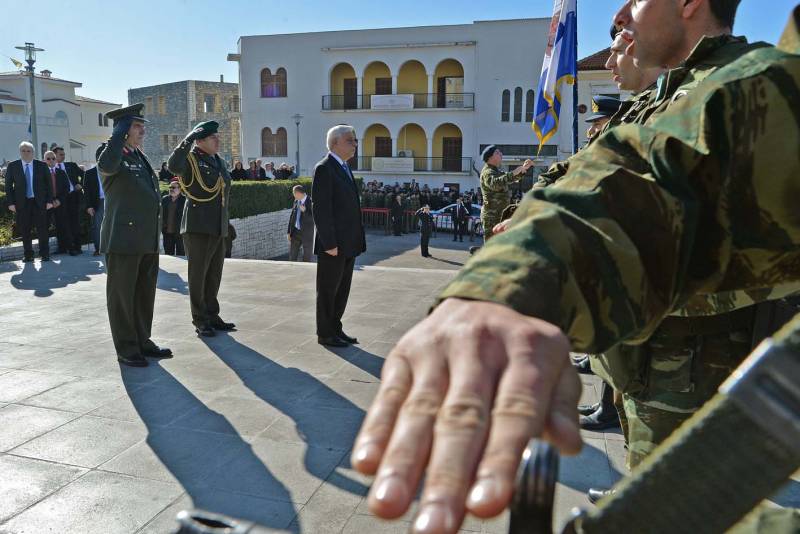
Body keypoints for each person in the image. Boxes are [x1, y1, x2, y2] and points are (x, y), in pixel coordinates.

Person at [349, 3, 800, 533]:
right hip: (653, 352)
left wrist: (519, 280)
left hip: (702, 356)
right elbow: (619, 170)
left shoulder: (747, 84)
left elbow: (664, 181)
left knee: (683, 500)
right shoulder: (673, 94)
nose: (623, 16)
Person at [97, 103, 172, 367]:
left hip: (145, 238)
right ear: (123, 129)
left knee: (143, 293)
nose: (143, 131)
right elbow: (106, 166)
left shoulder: (138, 155)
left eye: (142, 126)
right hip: (122, 239)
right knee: (122, 296)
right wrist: (117, 136)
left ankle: (142, 339)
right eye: (138, 126)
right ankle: (127, 348)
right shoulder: (110, 153)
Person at [168, 121, 235, 338]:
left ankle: (212, 314)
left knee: (214, 274)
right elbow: (173, 165)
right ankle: (200, 318)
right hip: (198, 225)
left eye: (217, 136)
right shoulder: (191, 159)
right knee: (198, 275)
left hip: (217, 225)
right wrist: (186, 141)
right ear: (200, 141)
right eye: (212, 137)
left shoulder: (218, 161)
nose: (218, 140)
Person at [312, 124, 366, 348]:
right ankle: (325, 333)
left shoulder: (343, 166)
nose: (355, 145)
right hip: (333, 244)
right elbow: (321, 209)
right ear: (335, 143)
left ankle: (336, 327)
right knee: (328, 290)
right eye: (350, 140)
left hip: (348, 242)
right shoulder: (325, 168)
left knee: (342, 290)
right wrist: (330, 242)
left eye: (355, 140)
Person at [4, 142, 53, 262]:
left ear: (33, 152)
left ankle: (45, 253)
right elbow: (8, 186)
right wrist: (10, 203)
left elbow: (49, 185)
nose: (26, 153)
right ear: (20, 152)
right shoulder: (13, 166)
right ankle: (28, 254)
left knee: (42, 229)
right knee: (25, 230)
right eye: (23, 151)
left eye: (28, 151)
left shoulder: (41, 165)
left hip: (39, 202)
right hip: (22, 203)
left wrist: (49, 201)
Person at [478, 145, 533, 243]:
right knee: (492, 247)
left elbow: (510, 179)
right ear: (490, 157)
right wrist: (513, 173)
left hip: (501, 215)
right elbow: (496, 184)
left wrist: (523, 169)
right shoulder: (488, 172)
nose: (501, 154)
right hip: (492, 217)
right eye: (497, 152)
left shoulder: (496, 171)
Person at [44, 151, 76, 256]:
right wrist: (49, 201)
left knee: (64, 225)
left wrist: (59, 200)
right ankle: (52, 250)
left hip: (60, 202)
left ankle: (70, 248)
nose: (51, 160)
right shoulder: (42, 173)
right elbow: (40, 189)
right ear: (45, 160)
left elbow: (66, 188)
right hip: (47, 204)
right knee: (46, 227)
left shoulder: (61, 172)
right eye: (48, 159)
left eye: (53, 158)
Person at [53, 146, 84, 255]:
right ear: (55, 155)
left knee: (74, 223)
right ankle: (63, 248)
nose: (63, 156)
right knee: (61, 223)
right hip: (60, 199)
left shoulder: (71, 165)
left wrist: (80, 184)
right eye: (61, 154)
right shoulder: (51, 169)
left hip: (72, 197)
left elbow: (85, 175)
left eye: (64, 154)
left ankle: (77, 247)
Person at [287, 184, 314, 262]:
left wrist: (305, 211)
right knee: (292, 257)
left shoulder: (311, 201)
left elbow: (314, 218)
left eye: (294, 193)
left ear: (298, 193)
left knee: (306, 258)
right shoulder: (296, 201)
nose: (293, 195)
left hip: (307, 234)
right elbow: (292, 216)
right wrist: (289, 232)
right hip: (295, 232)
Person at [83, 164, 105, 256]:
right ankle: (99, 248)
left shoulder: (113, 170)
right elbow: (86, 191)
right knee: (97, 226)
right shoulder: (89, 173)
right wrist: (88, 206)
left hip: (112, 200)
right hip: (98, 202)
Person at [161, 181, 186, 256]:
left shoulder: (184, 200)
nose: (171, 189)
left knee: (181, 254)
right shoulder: (165, 199)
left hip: (180, 233)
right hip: (167, 232)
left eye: (173, 187)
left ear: (180, 189)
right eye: (170, 187)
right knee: (168, 255)